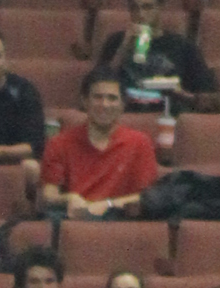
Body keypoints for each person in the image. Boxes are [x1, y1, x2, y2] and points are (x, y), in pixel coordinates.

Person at [41, 72, 160, 223]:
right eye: (97, 97)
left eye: (112, 98)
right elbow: (48, 195)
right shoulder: (59, 143)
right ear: (85, 101)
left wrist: (107, 205)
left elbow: (146, 197)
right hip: (75, 222)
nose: (104, 105)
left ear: (123, 104)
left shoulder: (140, 143)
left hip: (123, 223)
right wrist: (68, 198)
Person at [92, 0, 219, 116]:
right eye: (134, 8)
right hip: (125, 116)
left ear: (160, 7)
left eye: (147, 7)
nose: (141, 14)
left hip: (167, 115)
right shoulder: (116, 42)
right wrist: (123, 49)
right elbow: (96, 87)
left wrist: (182, 95)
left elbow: (211, 100)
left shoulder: (183, 46)